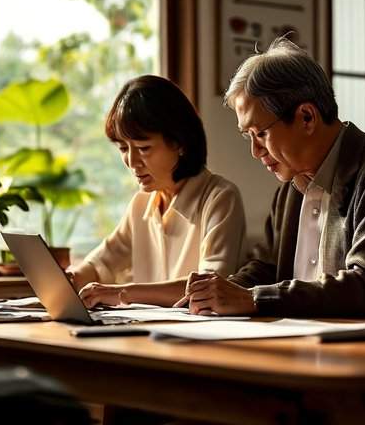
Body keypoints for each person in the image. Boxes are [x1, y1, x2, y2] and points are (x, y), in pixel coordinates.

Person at [179, 37, 365, 322]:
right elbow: (265, 268)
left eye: (260, 133)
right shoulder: (291, 187)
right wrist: (215, 292)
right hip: (316, 345)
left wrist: (253, 298)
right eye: (247, 136)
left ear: (307, 117)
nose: (255, 151)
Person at [69, 75, 246, 308]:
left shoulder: (220, 198)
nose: (131, 161)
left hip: (198, 336)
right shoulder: (141, 204)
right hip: (146, 334)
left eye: (144, 148)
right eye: (123, 148)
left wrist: (122, 293)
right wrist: (67, 281)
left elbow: (207, 287)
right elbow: (102, 262)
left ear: (179, 143)